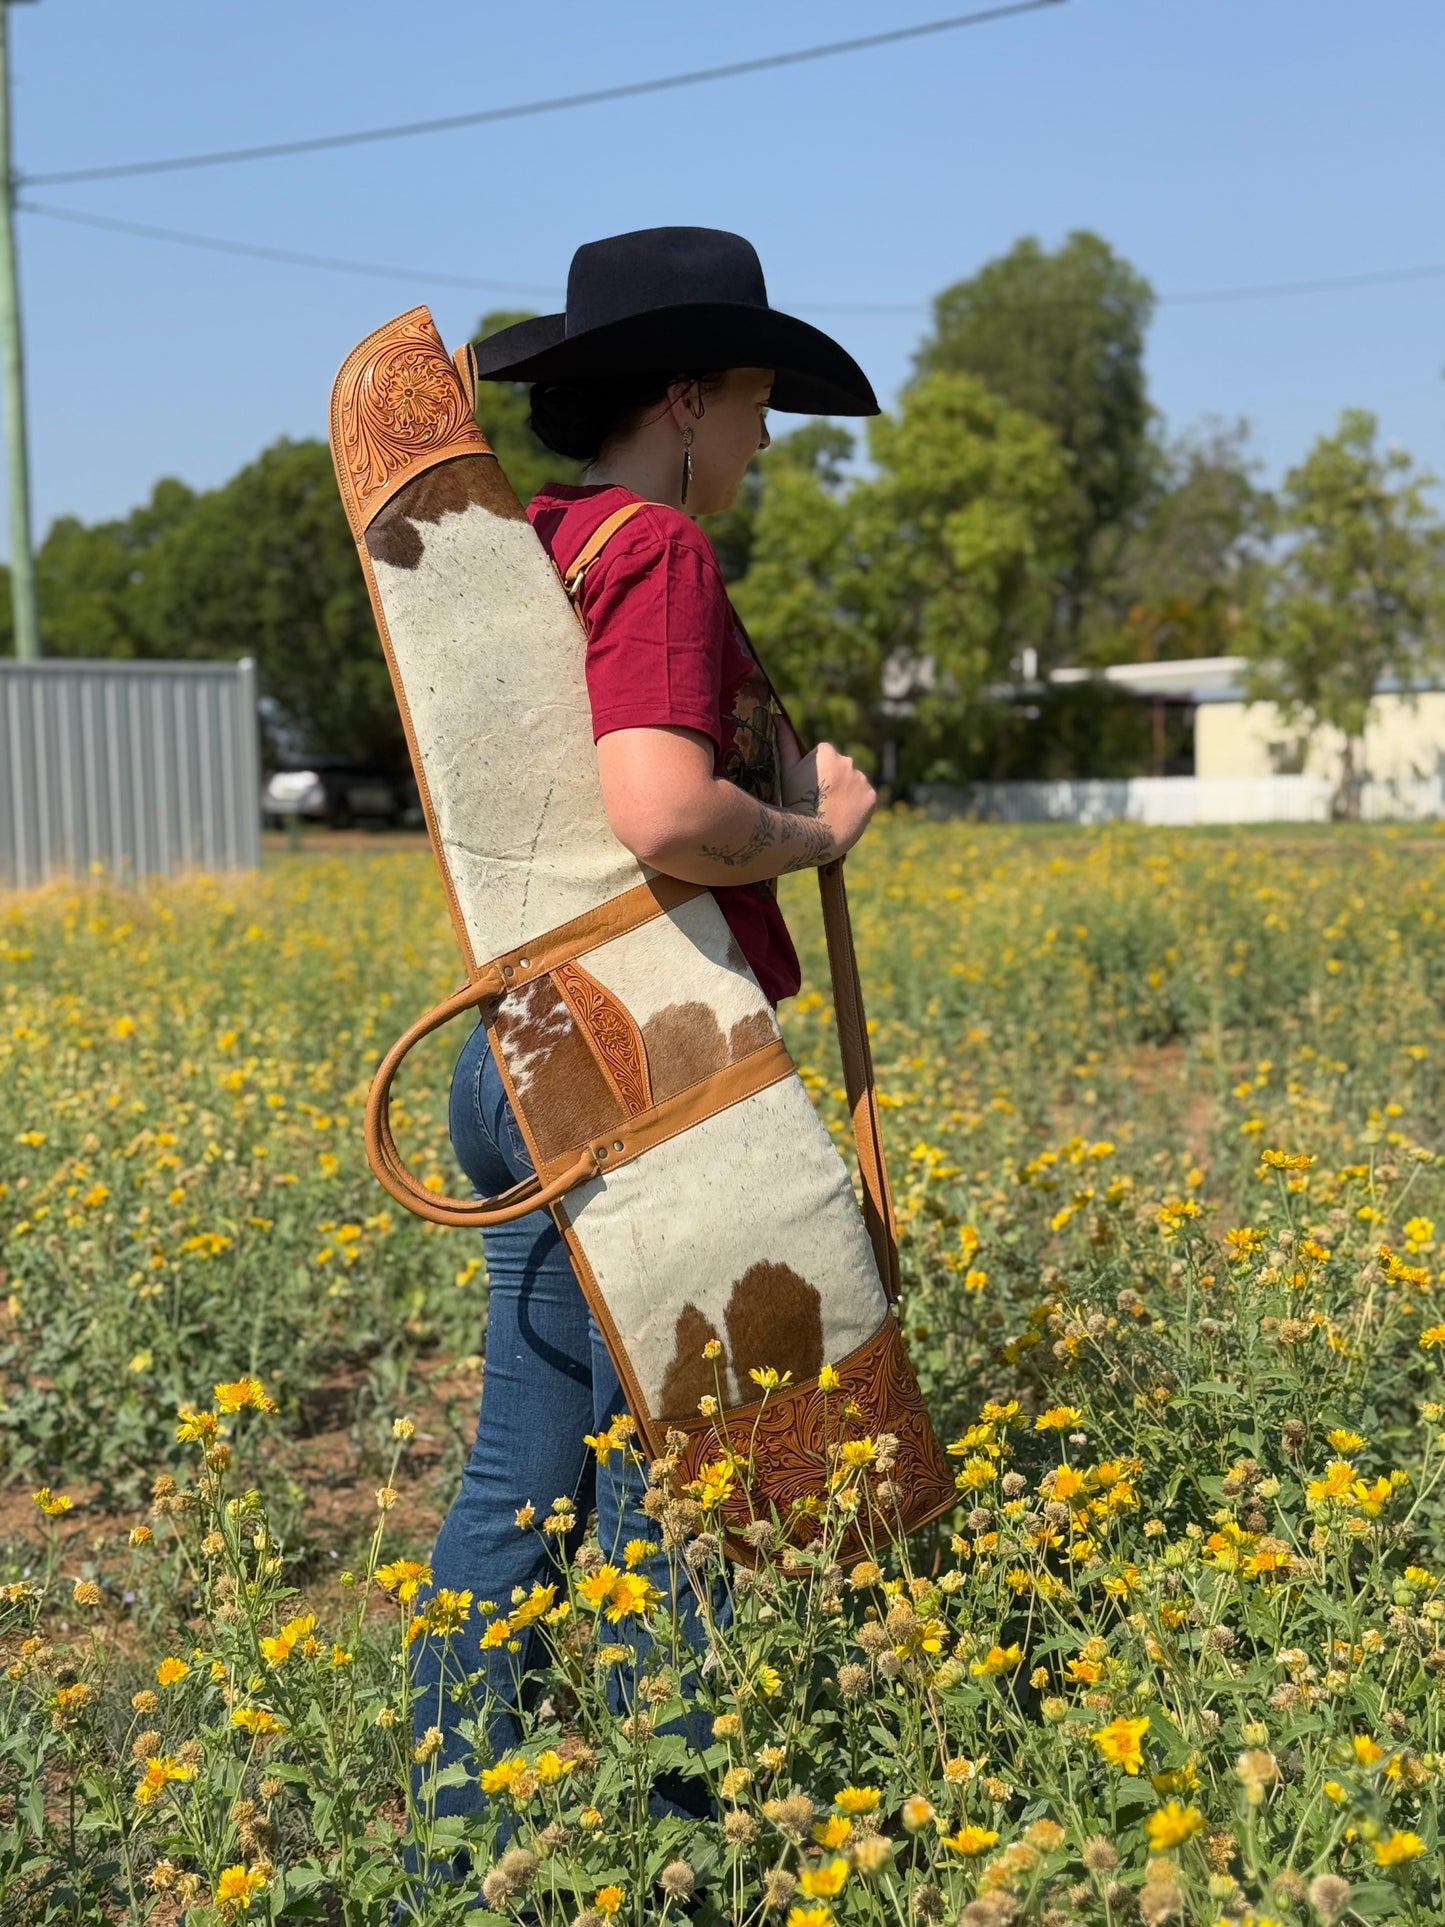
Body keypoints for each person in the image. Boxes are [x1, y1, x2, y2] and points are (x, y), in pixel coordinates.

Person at [410, 226, 881, 1848]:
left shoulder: (538, 545)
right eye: (753, 402)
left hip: (521, 1044)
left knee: (521, 1477)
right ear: (683, 399)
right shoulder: (660, 550)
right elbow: (660, 808)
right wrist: (814, 830)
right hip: (638, 1067)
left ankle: (458, 1841)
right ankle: (673, 1843)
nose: (765, 440)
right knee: (669, 1484)